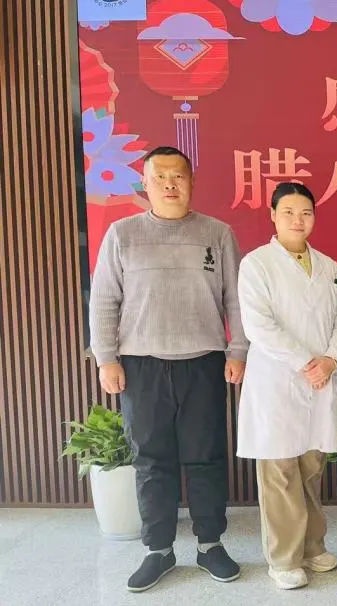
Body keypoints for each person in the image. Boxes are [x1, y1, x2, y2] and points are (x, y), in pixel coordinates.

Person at [88, 146, 247, 592]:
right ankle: (157, 550)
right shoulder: (122, 234)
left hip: (204, 361)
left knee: (206, 457)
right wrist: (106, 358)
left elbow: (236, 298)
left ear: (192, 181)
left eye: (178, 176)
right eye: (160, 177)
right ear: (145, 183)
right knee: (151, 460)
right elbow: (104, 300)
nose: (170, 184)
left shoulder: (217, 233)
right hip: (141, 365)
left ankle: (210, 545)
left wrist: (238, 349)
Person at [235, 183, 337, 590]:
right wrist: (306, 362)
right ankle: (284, 558)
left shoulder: (329, 266)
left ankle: (312, 546)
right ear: (273, 215)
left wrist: (331, 359)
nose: (297, 220)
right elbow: (259, 326)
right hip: (278, 381)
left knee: (310, 467)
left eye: (305, 212)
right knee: (280, 471)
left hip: (320, 379)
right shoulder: (257, 264)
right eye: (288, 212)